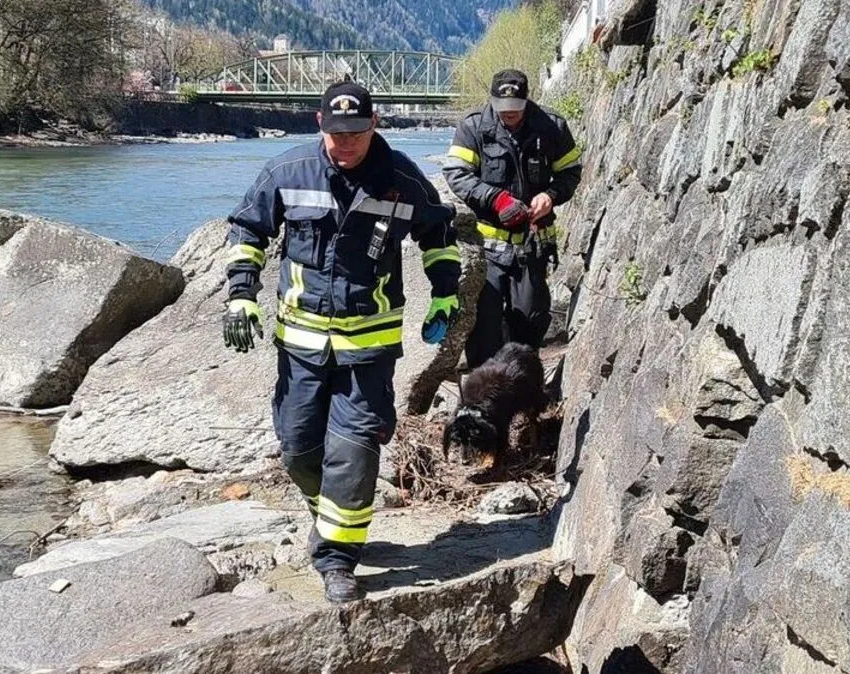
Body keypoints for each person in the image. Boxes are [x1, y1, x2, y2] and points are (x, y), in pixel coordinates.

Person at [221, 81, 462, 603]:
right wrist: (241, 294)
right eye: (336, 132)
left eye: (356, 131)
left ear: (374, 124)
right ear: (318, 124)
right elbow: (246, 231)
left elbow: (438, 233)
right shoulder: (288, 172)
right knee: (298, 451)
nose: (345, 142)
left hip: (368, 350)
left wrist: (446, 292)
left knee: (353, 452)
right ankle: (328, 516)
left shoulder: (400, 178)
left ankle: (337, 559)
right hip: (300, 345)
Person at [443, 69, 583, 368]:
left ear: (526, 100)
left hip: (531, 245)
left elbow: (570, 172)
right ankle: (483, 396)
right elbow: (456, 173)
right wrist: (496, 199)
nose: (509, 115)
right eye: (503, 110)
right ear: (492, 102)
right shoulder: (474, 127)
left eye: (515, 110)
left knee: (530, 317)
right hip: (487, 248)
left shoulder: (552, 127)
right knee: (484, 326)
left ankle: (520, 387)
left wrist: (551, 195)